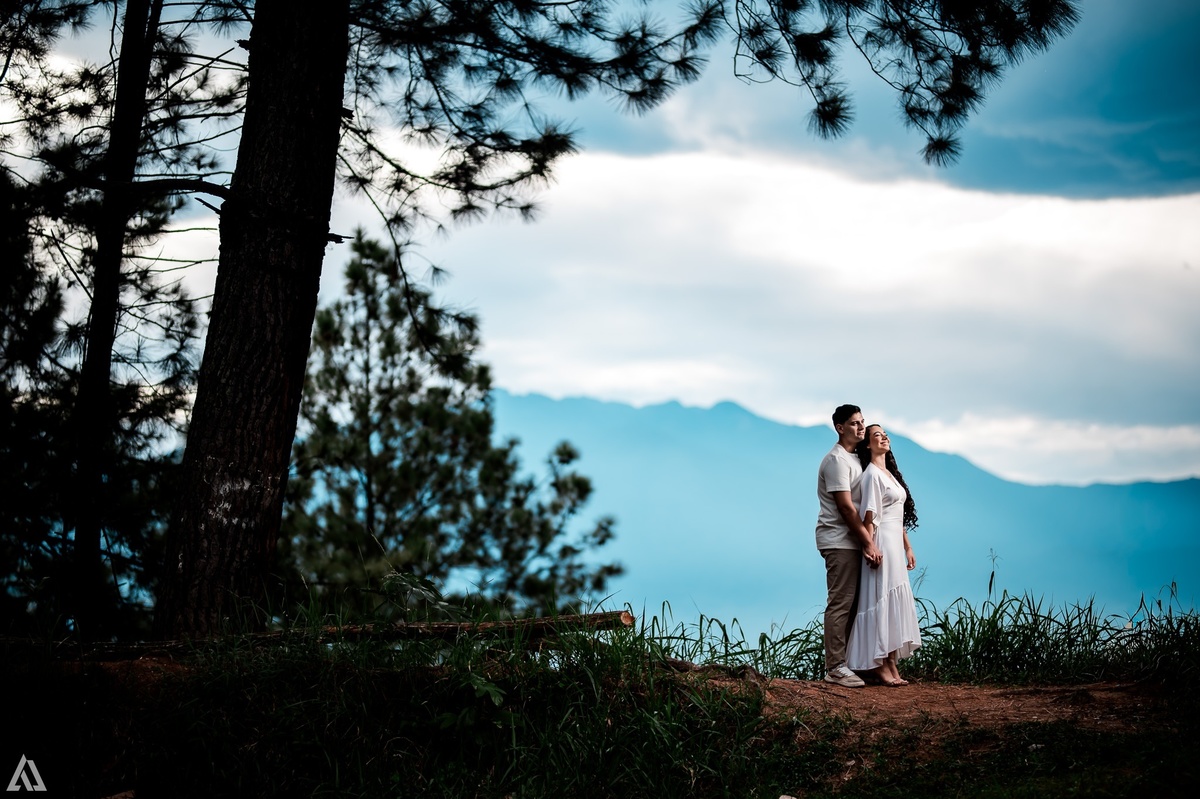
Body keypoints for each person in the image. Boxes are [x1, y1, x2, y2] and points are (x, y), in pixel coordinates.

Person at [846, 424, 921, 686]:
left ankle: (892, 663)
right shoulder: (871, 475)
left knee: (893, 601)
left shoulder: (889, 475)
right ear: (868, 444)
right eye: (877, 435)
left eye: (884, 434)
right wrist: (869, 546)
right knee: (881, 599)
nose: (884, 437)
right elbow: (870, 516)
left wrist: (907, 546)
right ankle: (882, 664)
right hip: (881, 543)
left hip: (894, 543)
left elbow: (896, 516)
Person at [815, 404, 883, 688]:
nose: (861, 428)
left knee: (857, 603)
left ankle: (854, 663)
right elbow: (845, 507)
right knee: (841, 602)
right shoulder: (836, 461)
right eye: (854, 423)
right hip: (838, 541)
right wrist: (867, 542)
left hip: (853, 541)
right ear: (840, 427)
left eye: (862, 422)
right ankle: (835, 667)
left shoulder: (856, 459)